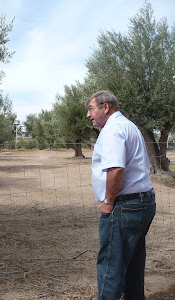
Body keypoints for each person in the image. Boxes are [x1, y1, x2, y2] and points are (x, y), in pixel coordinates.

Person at [85, 90, 156, 300]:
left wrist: (108, 202)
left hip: (125, 205)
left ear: (105, 107)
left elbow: (116, 169)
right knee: (133, 262)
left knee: (111, 265)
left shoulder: (113, 129)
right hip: (142, 202)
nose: (88, 115)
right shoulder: (128, 125)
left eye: (91, 108)